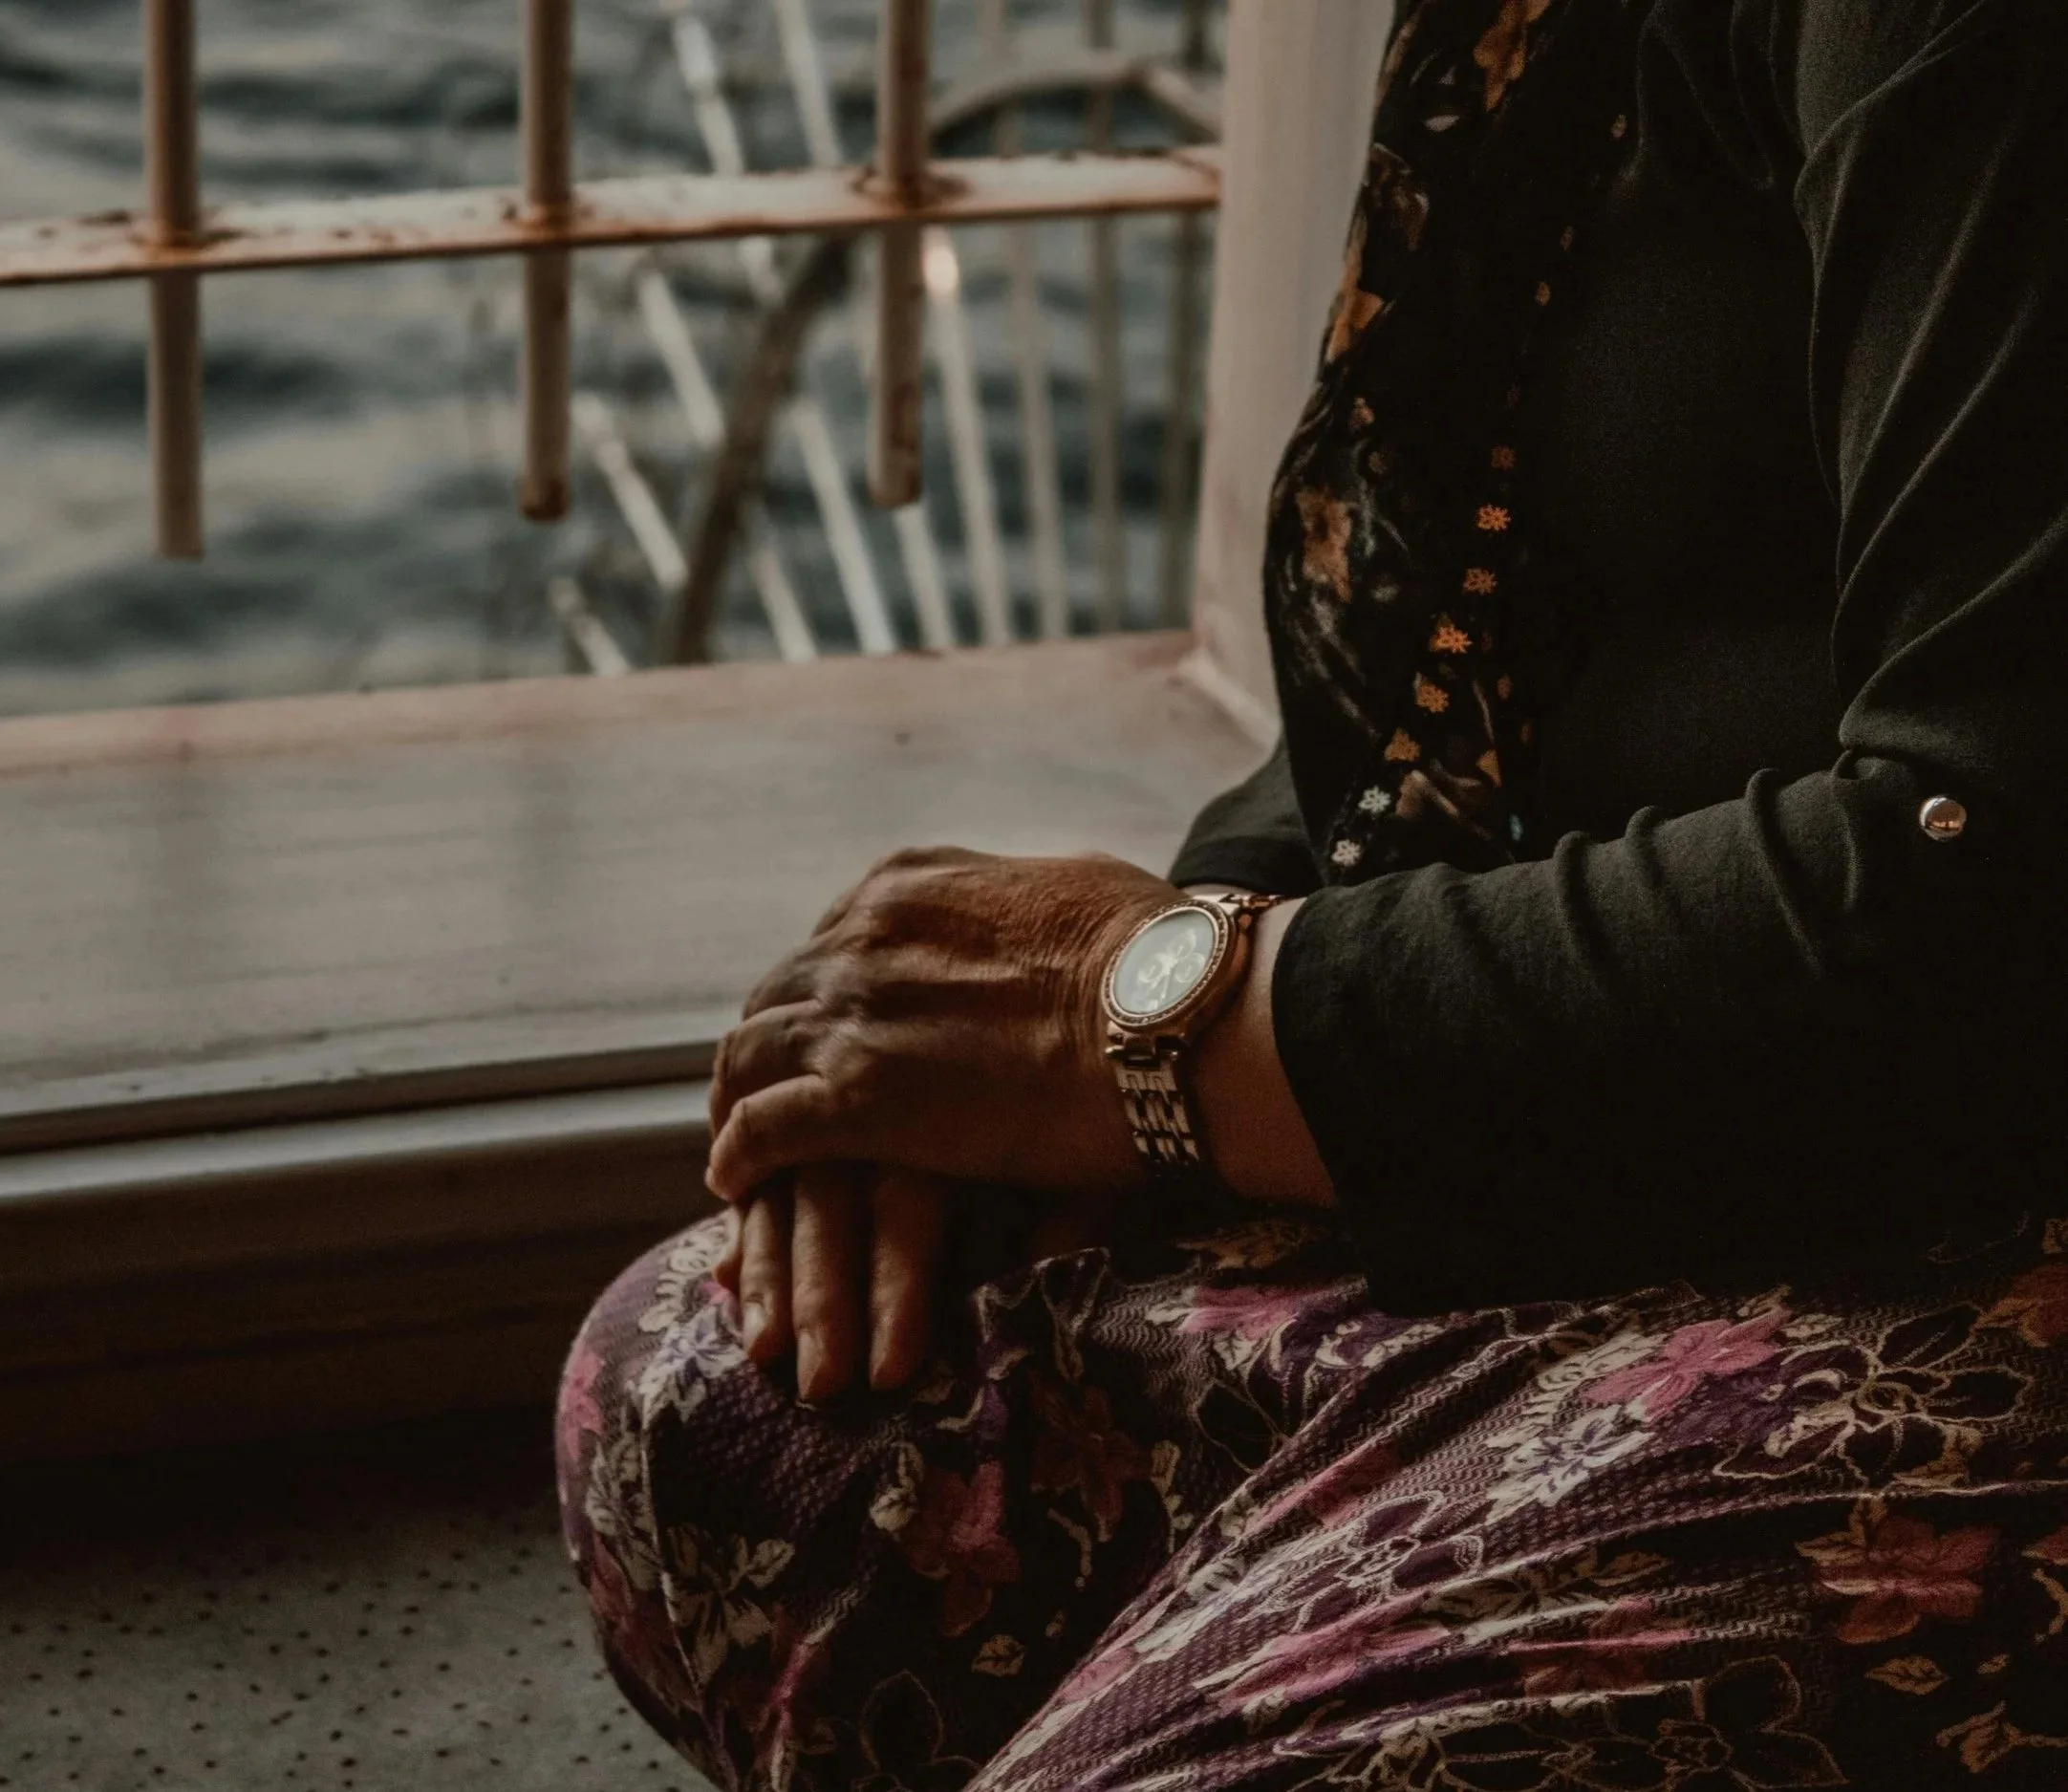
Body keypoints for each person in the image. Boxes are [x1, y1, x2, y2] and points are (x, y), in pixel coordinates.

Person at [556, 1, 2068, 1785]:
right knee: (704, 1402)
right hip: (1727, 1114)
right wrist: (1075, 1027)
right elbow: (1485, 654)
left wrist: (1136, 1026)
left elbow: (1993, 893)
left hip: (1981, 1200)